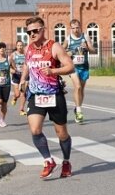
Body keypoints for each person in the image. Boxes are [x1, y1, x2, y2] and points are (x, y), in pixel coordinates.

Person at [19, 16, 75, 179]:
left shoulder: (54, 47)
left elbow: (70, 66)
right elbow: (26, 65)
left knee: (62, 133)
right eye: (28, 32)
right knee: (35, 130)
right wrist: (23, 80)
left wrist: (53, 71)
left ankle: (66, 161)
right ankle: (48, 160)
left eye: (35, 31)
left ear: (43, 30)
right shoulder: (28, 49)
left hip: (54, 94)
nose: (32, 34)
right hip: (35, 95)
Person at [63, 18, 91, 123]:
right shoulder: (68, 39)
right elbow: (61, 52)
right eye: (73, 28)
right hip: (73, 67)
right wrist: (68, 53)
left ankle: (77, 106)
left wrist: (87, 47)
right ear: (71, 29)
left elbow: (93, 50)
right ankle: (79, 111)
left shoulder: (85, 37)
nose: (75, 30)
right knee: (77, 87)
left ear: (80, 27)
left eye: (77, 27)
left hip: (84, 66)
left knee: (81, 90)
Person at [10, 40, 28, 116]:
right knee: (17, 94)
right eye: (18, 45)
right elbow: (8, 66)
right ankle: (14, 97)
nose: (20, 47)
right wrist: (12, 70)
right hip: (16, 76)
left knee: (23, 93)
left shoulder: (26, 54)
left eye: (21, 45)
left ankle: (21, 110)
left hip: (23, 77)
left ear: (23, 46)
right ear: (16, 46)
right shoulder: (13, 55)